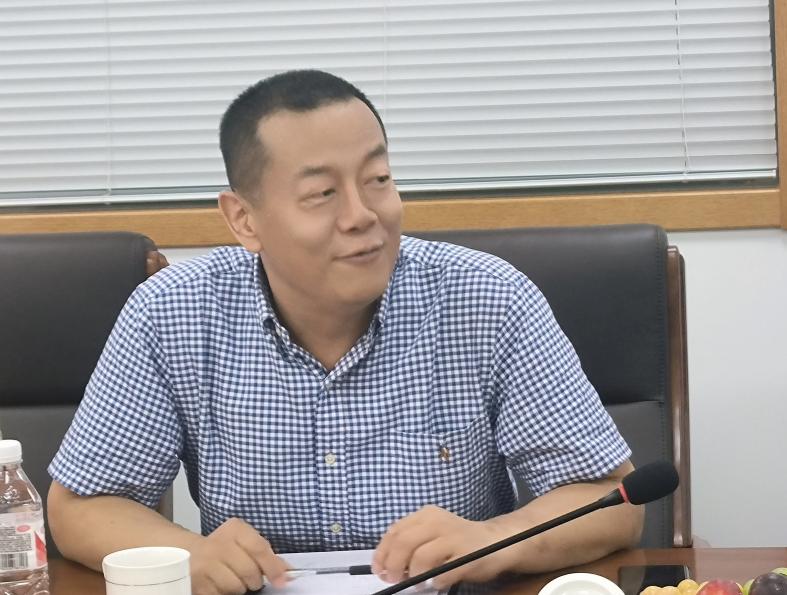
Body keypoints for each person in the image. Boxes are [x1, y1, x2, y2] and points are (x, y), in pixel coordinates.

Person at [47, 69, 643, 595]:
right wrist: (189, 554)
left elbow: (611, 501)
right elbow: (81, 505)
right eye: (322, 194)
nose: (363, 215)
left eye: (378, 178)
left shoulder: (487, 299)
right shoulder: (174, 313)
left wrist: (492, 540)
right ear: (244, 219)